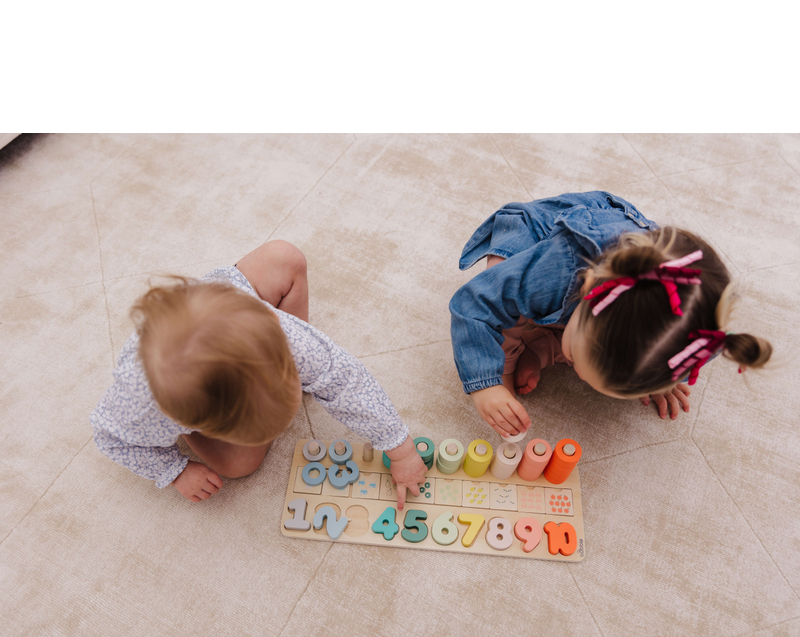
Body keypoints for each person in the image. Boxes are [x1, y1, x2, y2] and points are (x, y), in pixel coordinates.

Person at [91, 240, 427, 507]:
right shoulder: (138, 406)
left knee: (284, 257)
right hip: (184, 382)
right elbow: (109, 438)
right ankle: (197, 429)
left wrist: (400, 449)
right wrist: (174, 470)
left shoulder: (284, 336)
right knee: (239, 465)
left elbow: (346, 380)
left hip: (233, 297)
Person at [449, 192, 772, 438]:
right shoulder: (558, 267)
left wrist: (662, 374)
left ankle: (543, 346)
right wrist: (488, 384)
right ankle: (527, 344)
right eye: (574, 358)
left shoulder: (699, 336)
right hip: (542, 233)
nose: (578, 374)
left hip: (600, 293)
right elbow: (476, 305)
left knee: (616, 356)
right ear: (589, 291)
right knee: (504, 286)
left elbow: (665, 344)